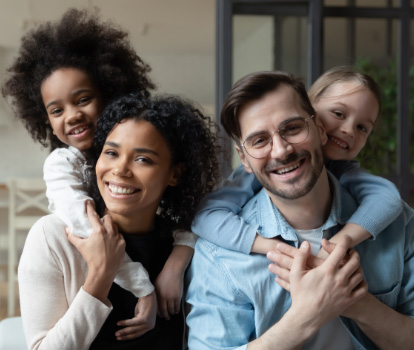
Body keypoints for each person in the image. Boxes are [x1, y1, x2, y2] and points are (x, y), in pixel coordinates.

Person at [186, 71, 414, 349]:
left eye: (292, 128)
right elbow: (205, 216)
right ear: (243, 158)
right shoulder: (218, 254)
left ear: (320, 129)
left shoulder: (395, 222)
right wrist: (307, 315)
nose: (281, 150)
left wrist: (355, 302)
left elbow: (388, 198)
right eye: (260, 140)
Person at [2, 7, 196, 329]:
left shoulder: (152, 156)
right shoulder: (63, 165)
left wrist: (179, 257)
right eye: (56, 110)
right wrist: (143, 287)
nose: (72, 115)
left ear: (110, 95)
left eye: (83, 99)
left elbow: (198, 207)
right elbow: (92, 233)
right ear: (46, 122)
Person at [17, 94, 219, 349]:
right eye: (111, 152)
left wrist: (182, 257)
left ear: (174, 174)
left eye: (143, 159)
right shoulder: (53, 237)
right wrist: (100, 278)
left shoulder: (189, 249)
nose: (120, 170)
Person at [191, 66, 402, 258]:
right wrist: (271, 247)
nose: (349, 130)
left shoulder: (345, 172)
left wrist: (339, 242)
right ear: (312, 114)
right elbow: (205, 216)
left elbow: (388, 199)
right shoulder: (254, 173)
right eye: (338, 114)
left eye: (362, 128)